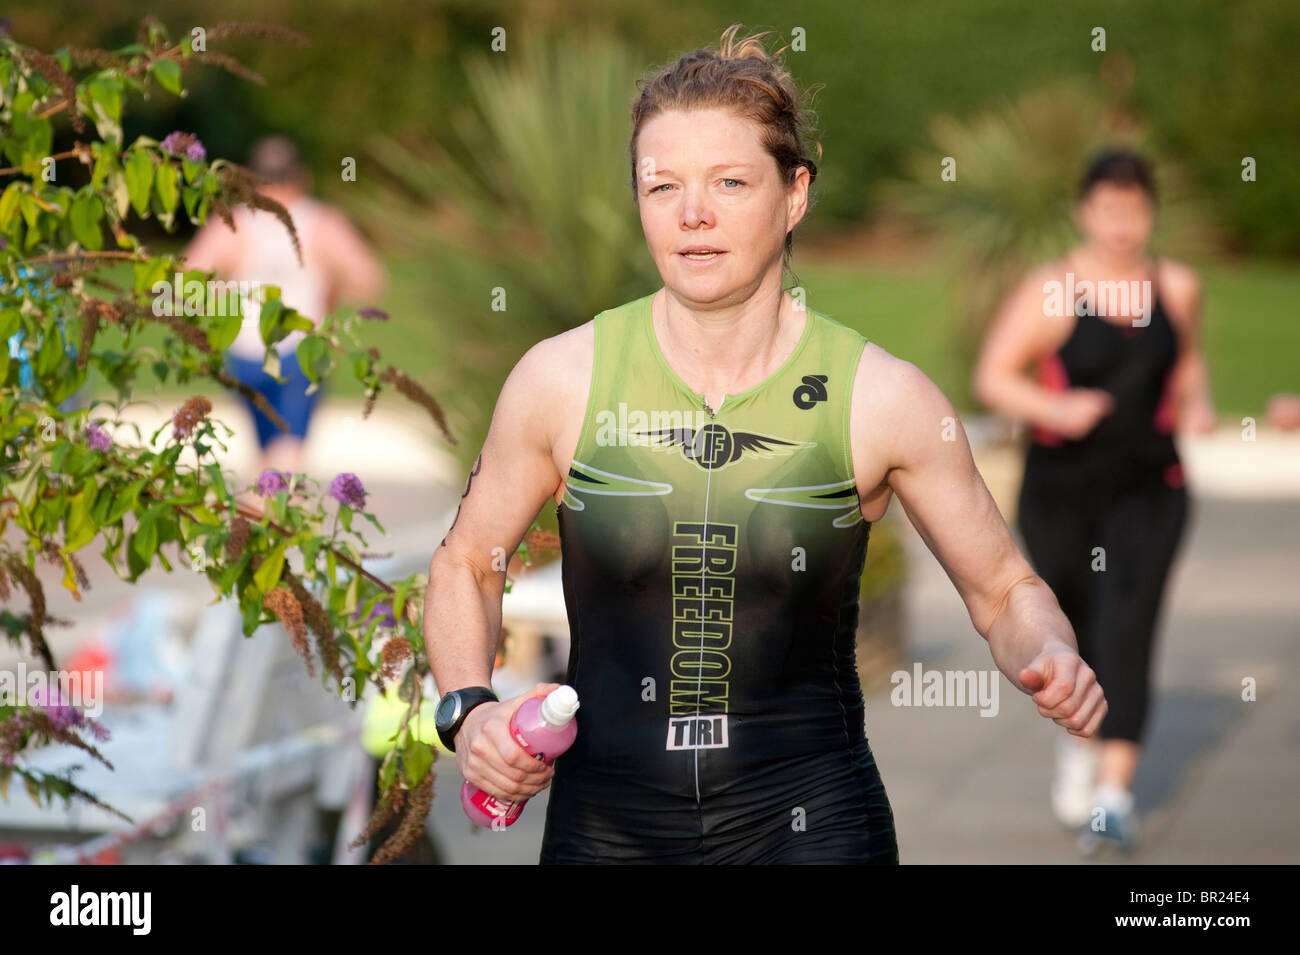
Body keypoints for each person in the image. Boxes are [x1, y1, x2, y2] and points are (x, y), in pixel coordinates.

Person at [425, 24, 1108, 864]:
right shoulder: (560, 381)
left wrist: (1051, 651)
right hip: (608, 832)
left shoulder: (881, 398)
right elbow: (466, 561)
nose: (692, 214)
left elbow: (1005, 591)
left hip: (812, 825)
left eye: (730, 182)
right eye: (661, 185)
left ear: (795, 195)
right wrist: (469, 706)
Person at [972, 148, 1218, 854]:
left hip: (1151, 489)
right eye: (1108, 209)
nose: (1122, 224)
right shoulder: (1054, 290)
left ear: (1151, 213)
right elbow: (995, 375)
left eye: (1135, 209)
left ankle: (1114, 796)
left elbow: (1190, 360)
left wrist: (1197, 405)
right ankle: (1079, 748)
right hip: (1061, 493)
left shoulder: (1177, 284)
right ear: (1084, 211)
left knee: (1129, 628)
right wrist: (1058, 403)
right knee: (1073, 631)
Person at [182, 135, 386, 476]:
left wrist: (225, 299)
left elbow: (184, 286)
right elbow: (370, 280)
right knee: (286, 456)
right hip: (298, 356)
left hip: (245, 355)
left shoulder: (232, 225)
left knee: (267, 456)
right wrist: (331, 295)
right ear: (301, 176)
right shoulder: (321, 222)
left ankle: (260, 517)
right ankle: (272, 518)